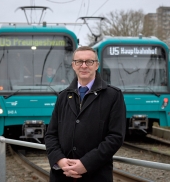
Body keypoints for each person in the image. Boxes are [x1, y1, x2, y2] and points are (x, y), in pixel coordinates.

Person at [45, 46, 126, 182]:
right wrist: (60, 160)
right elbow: (51, 134)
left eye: (89, 62)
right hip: (62, 176)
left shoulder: (113, 96)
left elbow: (115, 137)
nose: (84, 66)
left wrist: (86, 164)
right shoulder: (63, 96)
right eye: (79, 62)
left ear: (97, 65)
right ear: (73, 65)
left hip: (96, 175)